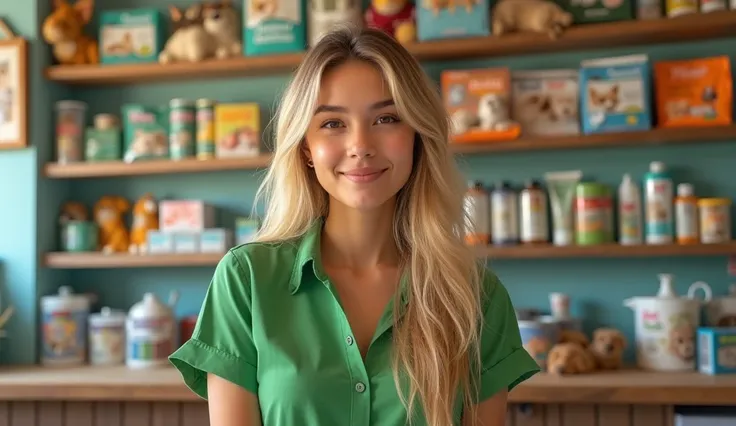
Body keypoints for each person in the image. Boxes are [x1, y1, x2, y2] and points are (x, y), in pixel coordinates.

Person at [169, 25, 540, 426]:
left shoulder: (476, 297)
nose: (360, 145)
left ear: (417, 136)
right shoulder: (246, 281)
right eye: (332, 123)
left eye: (386, 118)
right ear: (306, 148)